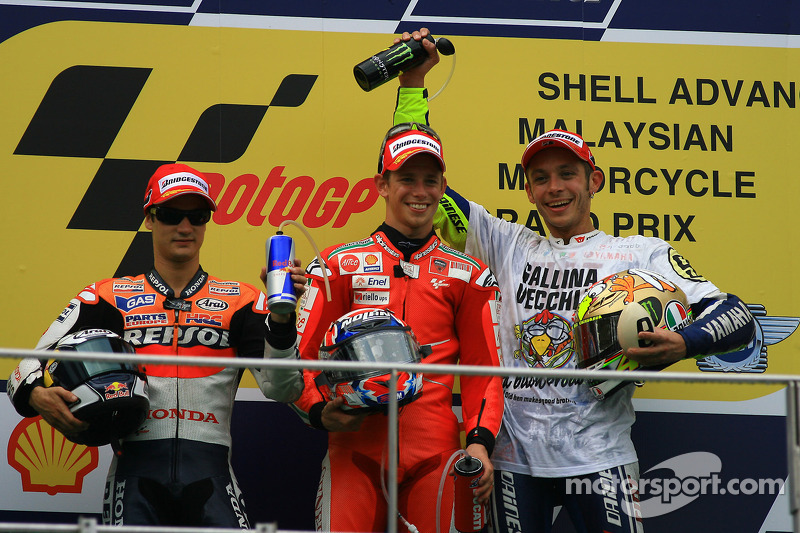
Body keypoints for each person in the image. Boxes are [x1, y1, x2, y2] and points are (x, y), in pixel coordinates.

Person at [393, 29, 756, 533]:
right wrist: (412, 82)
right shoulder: (505, 243)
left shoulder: (638, 252)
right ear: (528, 191)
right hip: (513, 458)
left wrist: (684, 341)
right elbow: (416, 167)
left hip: (601, 456)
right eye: (540, 178)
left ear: (594, 181)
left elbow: (737, 317)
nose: (554, 188)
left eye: (567, 173)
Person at [7, 163, 306, 529]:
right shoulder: (106, 296)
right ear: (150, 218)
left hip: (212, 475)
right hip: (134, 475)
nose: (185, 227)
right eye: (170, 215)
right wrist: (37, 394)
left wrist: (281, 318)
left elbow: (283, 387)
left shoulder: (243, 301)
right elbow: (25, 368)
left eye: (196, 216)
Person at [292, 95, 504, 532]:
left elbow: (485, 370)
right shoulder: (337, 264)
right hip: (355, 446)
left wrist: (480, 443)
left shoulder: (470, 275)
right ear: (382, 185)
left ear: (443, 188)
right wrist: (317, 410)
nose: (420, 191)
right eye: (407, 178)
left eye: (431, 180)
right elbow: (300, 358)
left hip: (438, 452)